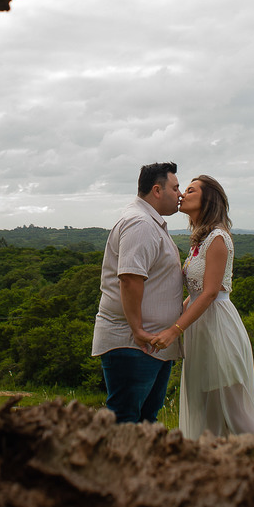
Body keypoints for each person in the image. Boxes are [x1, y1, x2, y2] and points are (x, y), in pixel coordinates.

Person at [150, 175, 254, 454]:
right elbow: (194, 294)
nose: (182, 194)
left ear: (208, 199)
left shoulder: (218, 238)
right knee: (206, 414)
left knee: (238, 415)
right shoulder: (201, 240)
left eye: (191, 190)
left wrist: (175, 330)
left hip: (218, 329)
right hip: (201, 330)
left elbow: (209, 293)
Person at [91, 162, 184, 423]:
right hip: (133, 344)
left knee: (144, 422)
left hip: (150, 345)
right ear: (157, 190)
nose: (180, 194)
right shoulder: (140, 223)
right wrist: (138, 330)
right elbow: (130, 278)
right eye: (175, 188)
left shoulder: (150, 222)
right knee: (126, 421)